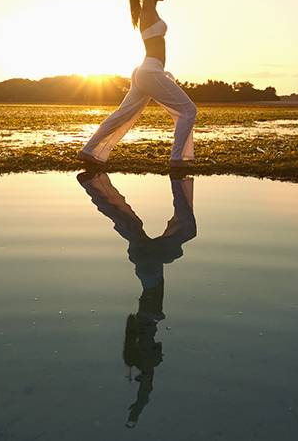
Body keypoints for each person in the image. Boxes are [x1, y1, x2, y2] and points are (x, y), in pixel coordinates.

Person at [77, 169, 196, 427]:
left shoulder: (148, 325)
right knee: (132, 226)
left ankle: (96, 186)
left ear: (145, 352)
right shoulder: (142, 331)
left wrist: (139, 407)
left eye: (155, 357)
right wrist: (138, 407)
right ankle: (94, 186)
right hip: (144, 267)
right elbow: (146, 376)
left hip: (149, 268)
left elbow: (148, 379)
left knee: (183, 230)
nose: (160, 357)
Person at [79, 0, 197, 167]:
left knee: (122, 114)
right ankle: (177, 159)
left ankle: (89, 150)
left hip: (146, 71)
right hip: (150, 72)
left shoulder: (148, 13)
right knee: (189, 111)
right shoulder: (148, 9)